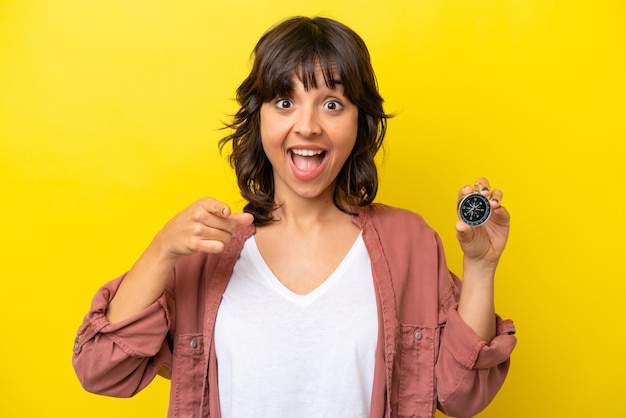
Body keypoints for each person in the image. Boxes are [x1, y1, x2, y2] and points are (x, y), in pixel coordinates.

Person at [72, 16, 516, 418]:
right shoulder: (205, 247)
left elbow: (463, 396)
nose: (307, 126)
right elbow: (101, 369)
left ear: (360, 123)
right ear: (258, 118)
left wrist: (480, 266)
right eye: (285, 102)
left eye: (332, 104)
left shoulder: (409, 242)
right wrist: (162, 249)